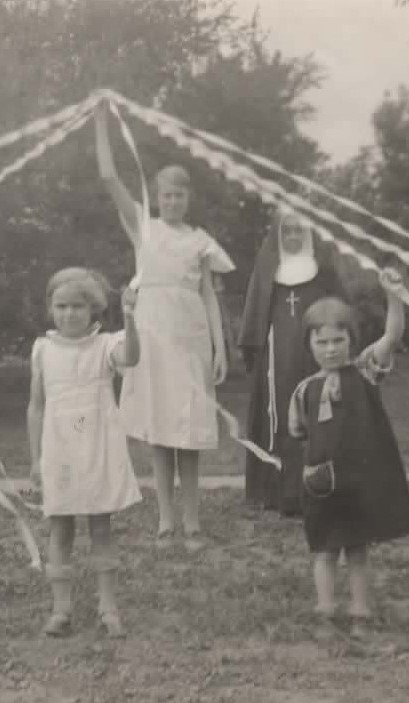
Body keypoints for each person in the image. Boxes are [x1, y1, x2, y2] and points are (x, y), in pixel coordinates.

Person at [94, 100, 235, 551]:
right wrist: (101, 124)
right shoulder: (145, 229)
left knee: (189, 433)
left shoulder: (201, 241)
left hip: (190, 340)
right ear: (156, 196)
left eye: (180, 195)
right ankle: (165, 520)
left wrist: (219, 348)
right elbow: (109, 178)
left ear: (189, 198)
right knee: (159, 431)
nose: (172, 201)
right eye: (166, 195)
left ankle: (192, 522)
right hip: (152, 339)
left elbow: (210, 297)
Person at [288, 269, 409, 636]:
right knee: (325, 550)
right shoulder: (304, 391)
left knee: (357, 549)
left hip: (359, 482)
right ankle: (326, 610)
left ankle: (360, 611)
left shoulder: (364, 371)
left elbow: (392, 335)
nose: (330, 349)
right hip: (322, 485)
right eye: (322, 342)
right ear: (310, 345)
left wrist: (393, 295)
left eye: (338, 340)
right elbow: (299, 433)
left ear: (351, 340)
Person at [27, 268, 142, 638]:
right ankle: (61, 610)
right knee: (60, 527)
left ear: (92, 309)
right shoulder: (42, 349)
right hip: (60, 449)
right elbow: (36, 407)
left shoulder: (105, 345)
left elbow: (133, 357)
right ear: (50, 308)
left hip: (97, 446)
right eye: (61, 306)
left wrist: (130, 314)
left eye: (78, 306)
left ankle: (108, 607)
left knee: (100, 526)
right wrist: (34, 459)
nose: (69, 314)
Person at [237, 208, 346, 516]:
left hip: (315, 357)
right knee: (283, 419)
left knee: (318, 415)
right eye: (288, 231)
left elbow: (341, 311)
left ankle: (319, 490)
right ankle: (280, 494)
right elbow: (255, 316)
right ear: (279, 235)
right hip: (278, 361)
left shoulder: (322, 269)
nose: (294, 236)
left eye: (300, 230)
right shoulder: (268, 268)